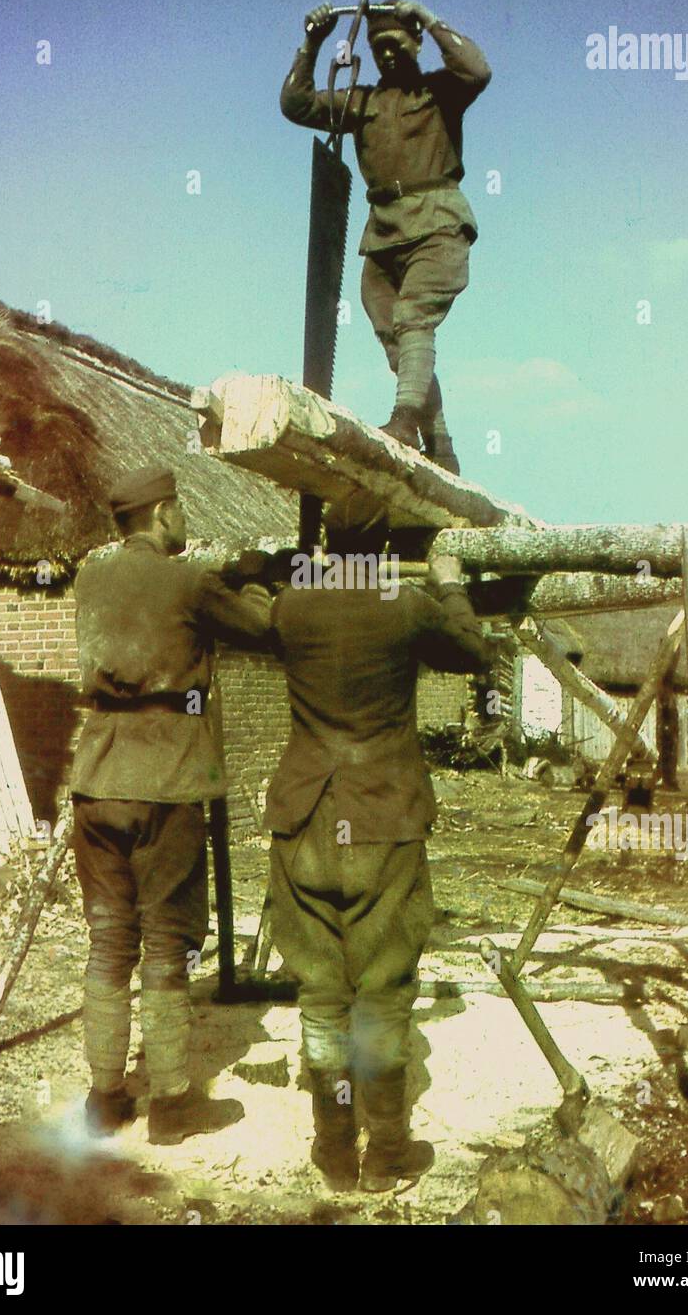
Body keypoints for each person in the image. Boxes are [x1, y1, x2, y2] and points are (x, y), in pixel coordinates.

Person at [265, 489, 490, 1190]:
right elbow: (472, 651)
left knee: (321, 989)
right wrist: (450, 586)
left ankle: (333, 1147)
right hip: (381, 816)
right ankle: (386, 1149)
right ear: (387, 548)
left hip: (303, 817)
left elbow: (253, 602)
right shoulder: (405, 604)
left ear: (329, 543)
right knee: (383, 987)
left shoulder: (291, 607)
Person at [70, 465, 272, 1145]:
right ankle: (174, 1105)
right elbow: (263, 629)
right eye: (178, 510)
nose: (184, 520)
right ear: (161, 515)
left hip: (97, 777)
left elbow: (149, 613)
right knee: (164, 943)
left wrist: (222, 580)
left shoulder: (90, 577)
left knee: (108, 940)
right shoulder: (192, 581)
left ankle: (103, 1101)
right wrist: (250, 579)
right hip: (169, 778)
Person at [281, 0, 492, 474]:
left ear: (416, 41)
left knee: (415, 319)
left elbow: (477, 70)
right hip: (382, 234)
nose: (388, 53)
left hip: (437, 223)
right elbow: (296, 105)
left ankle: (403, 421)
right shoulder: (363, 101)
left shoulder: (443, 91)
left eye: (396, 43)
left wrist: (433, 20)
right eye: (378, 47)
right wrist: (311, 45)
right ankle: (439, 443)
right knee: (395, 336)